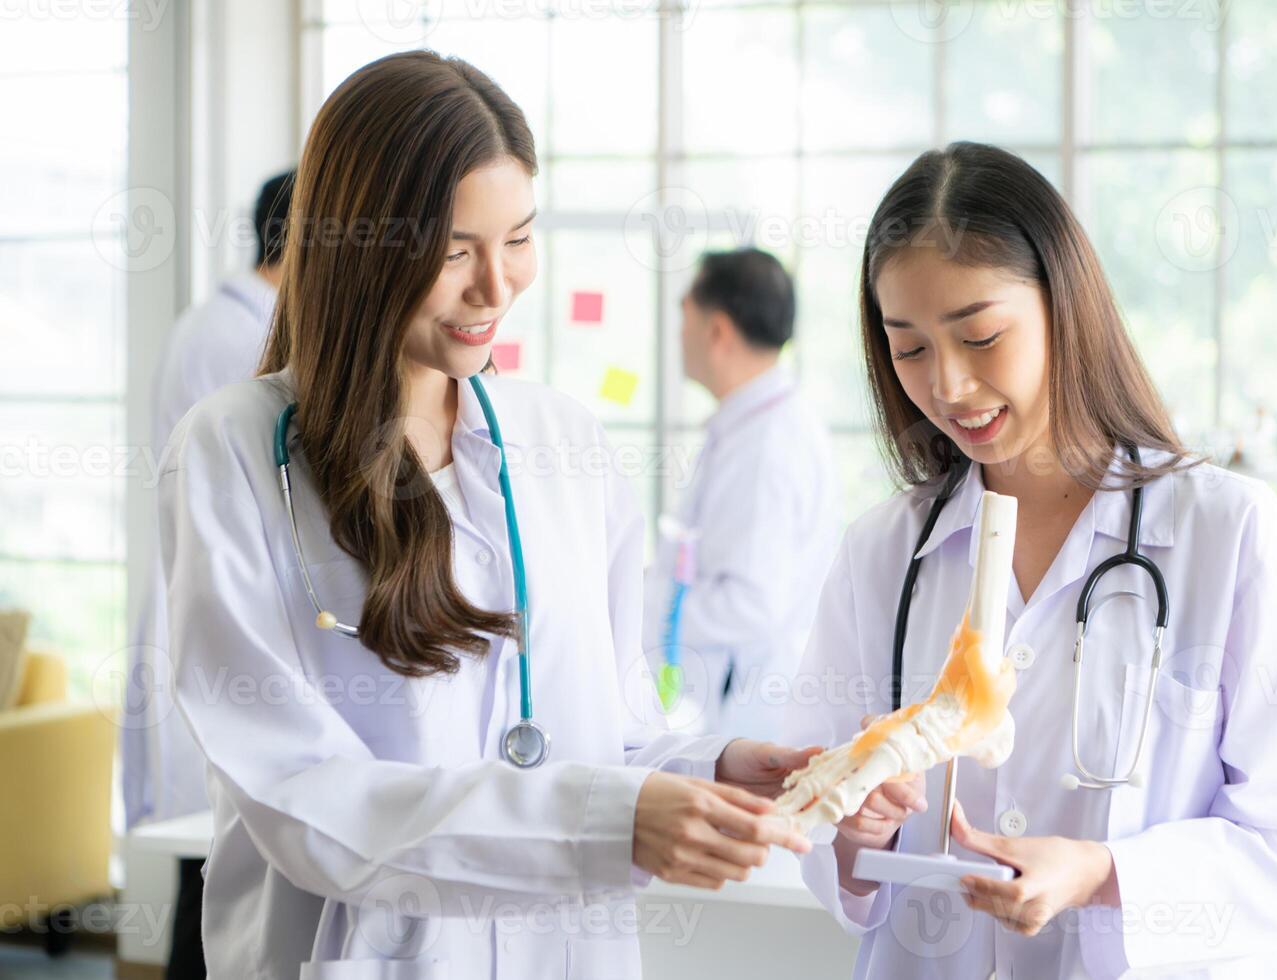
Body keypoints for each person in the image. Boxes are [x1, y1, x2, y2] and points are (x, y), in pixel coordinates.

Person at [158, 51, 811, 978]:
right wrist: (602, 821)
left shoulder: (565, 444)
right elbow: (299, 795)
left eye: (520, 238)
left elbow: (610, 730)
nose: (497, 287)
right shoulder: (233, 450)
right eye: (456, 249)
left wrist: (715, 770)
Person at [784, 142, 1277, 978]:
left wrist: (1104, 875)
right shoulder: (883, 553)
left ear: (1067, 308)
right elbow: (819, 824)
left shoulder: (1234, 538)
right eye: (909, 349)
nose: (948, 386)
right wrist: (852, 832)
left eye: (981, 336)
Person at [122, 169, 294, 980]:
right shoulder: (241, 339)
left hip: (222, 604)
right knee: (216, 855)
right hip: (222, 608)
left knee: (218, 850)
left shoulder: (232, 321)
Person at [646, 248, 839, 739]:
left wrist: (640, 601)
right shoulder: (756, 423)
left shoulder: (767, 445)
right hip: (731, 701)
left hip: (744, 712)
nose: (678, 335)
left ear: (718, 331)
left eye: (685, 316)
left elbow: (753, 603)